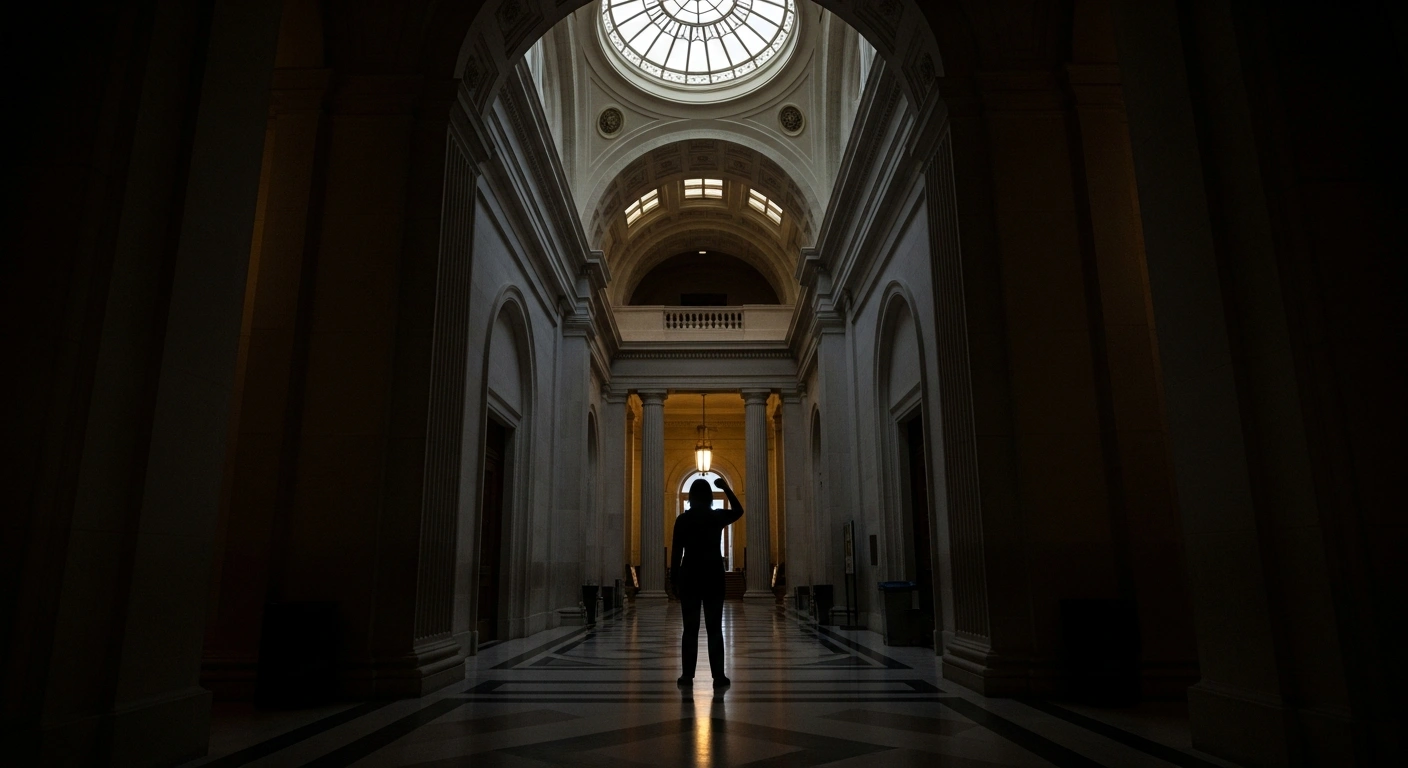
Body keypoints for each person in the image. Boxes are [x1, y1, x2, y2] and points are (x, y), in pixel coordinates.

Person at [670, 475, 745, 687]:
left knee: (690, 628)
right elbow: (739, 511)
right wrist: (727, 488)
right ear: (710, 497)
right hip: (713, 574)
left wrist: (673, 580)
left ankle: (687, 676)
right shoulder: (716, 517)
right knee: (714, 628)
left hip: (690, 575)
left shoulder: (683, 520)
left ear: (691, 497)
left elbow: (676, 552)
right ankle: (718, 676)